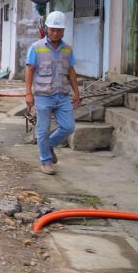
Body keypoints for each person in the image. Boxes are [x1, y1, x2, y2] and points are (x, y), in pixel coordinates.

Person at [25, 11, 81, 175]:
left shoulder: (67, 49)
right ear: (47, 29)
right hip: (43, 95)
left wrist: (77, 93)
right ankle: (46, 161)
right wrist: (28, 93)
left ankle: (49, 145)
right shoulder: (36, 47)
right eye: (52, 29)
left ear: (63, 31)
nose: (55, 33)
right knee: (43, 129)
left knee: (68, 127)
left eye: (59, 30)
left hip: (62, 94)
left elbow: (71, 71)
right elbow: (29, 70)